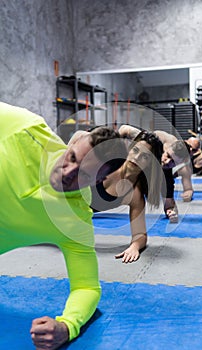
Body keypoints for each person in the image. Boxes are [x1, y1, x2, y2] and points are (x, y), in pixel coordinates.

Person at [0, 102, 127, 349]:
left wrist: (67, 326)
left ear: (99, 180)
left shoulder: (75, 219)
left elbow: (87, 287)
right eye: (71, 158)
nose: (67, 173)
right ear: (72, 143)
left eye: (84, 175)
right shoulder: (25, 127)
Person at [90, 130, 163, 263]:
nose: (137, 157)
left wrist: (134, 246)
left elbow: (140, 234)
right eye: (135, 150)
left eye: (145, 157)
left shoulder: (135, 194)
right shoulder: (108, 163)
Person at [118, 125, 192, 223]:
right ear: (166, 149)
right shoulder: (153, 141)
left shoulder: (167, 173)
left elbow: (169, 204)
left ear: (178, 164)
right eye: (168, 156)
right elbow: (124, 128)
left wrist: (171, 213)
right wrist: (115, 146)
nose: (167, 162)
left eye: (172, 162)